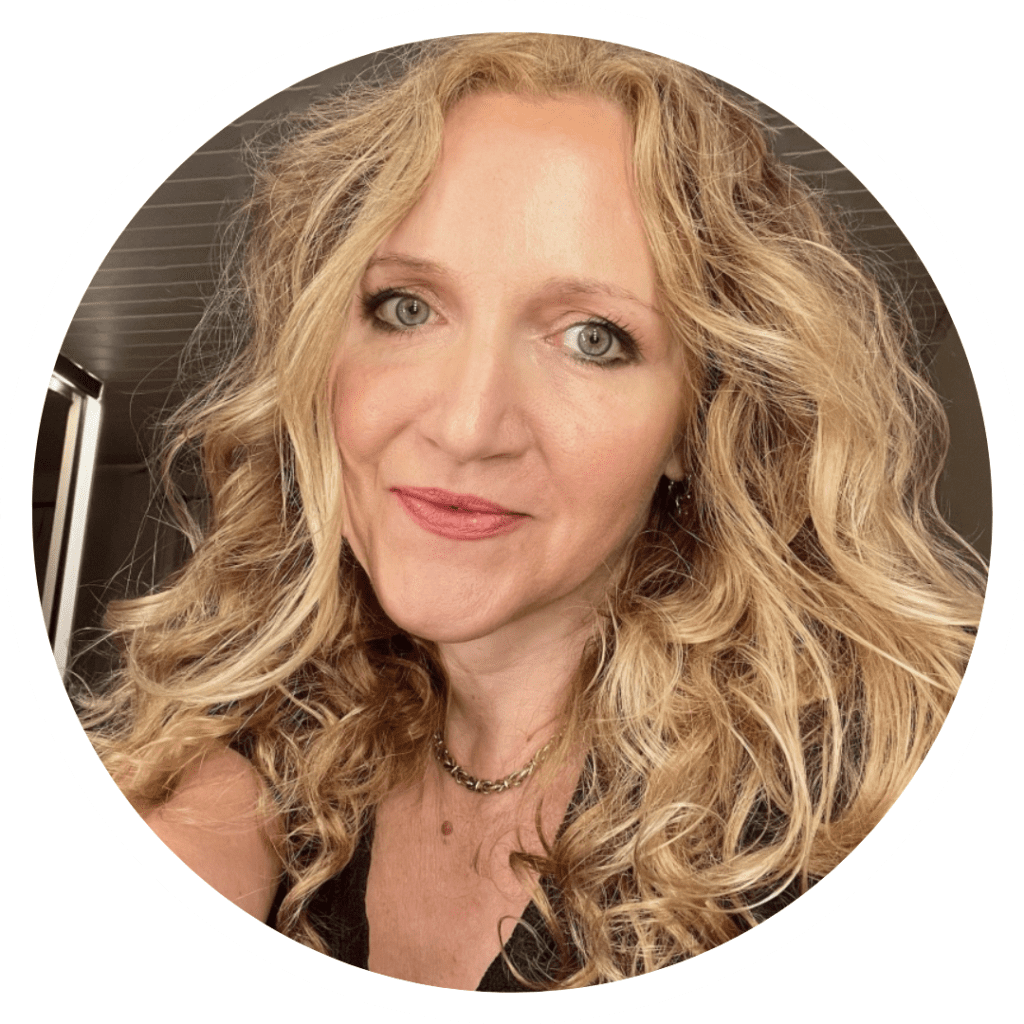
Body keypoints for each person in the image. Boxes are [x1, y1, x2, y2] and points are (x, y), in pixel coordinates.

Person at [86, 34, 985, 990]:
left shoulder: (876, 798)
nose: (467, 426)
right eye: (406, 308)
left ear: (697, 423)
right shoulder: (285, 737)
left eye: (593, 338)